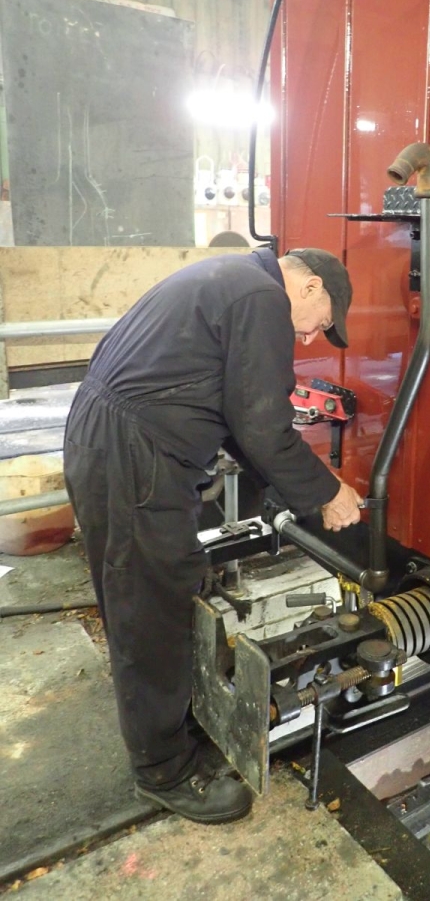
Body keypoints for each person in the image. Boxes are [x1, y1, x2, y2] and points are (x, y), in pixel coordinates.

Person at [63, 246, 364, 824]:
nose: (309, 338)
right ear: (309, 287)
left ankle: (169, 726)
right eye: (320, 323)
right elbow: (262, 424)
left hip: (111, 441)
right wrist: (327, 493)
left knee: (152, 588)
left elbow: (237, 420)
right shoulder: (262, 298)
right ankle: (164, 771)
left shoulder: (230, 278)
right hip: (134, 455)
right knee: (150, 605)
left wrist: (292, 487)